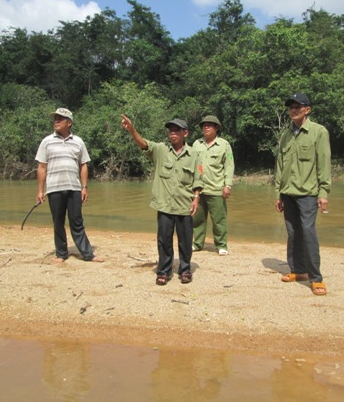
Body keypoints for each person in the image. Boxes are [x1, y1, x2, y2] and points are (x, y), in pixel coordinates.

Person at [121, 114, 203, 285]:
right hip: (164, 205)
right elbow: (143, 144)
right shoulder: (160, 150)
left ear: (185, 134)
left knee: (186, 240)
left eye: (176, 131)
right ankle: (164, 271)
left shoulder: (194, 155)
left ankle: (185, 269)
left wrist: (196, 199)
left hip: (184, 205)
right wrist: (131, 129)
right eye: (170, 131)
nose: (172, 134)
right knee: (164, 239)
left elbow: (198, 179)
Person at [274, 93, 331, 295]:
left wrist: (323, 192)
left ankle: (315, 278)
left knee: (308, 232)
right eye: (291, 107)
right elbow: (280, 165)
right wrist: (278, 193)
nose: (294, 110)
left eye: (298, 106)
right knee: (292, 232)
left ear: (308, 109)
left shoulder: (319, 132)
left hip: (308, 193)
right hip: (288, 192)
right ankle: (297, 270)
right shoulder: (286, 136)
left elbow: (324, 163)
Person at [35, 108, 104, 264]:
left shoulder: (78, 142)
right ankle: (61, 254)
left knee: (77, 221)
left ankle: (88, 254)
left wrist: (84, 187)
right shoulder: (47, 141)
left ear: (69, 123)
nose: (56, 121)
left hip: (74, 188)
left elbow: (83, 165)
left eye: (60, 119)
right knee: (58, 222)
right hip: (54, 188)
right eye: (55, 119)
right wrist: (40, 191)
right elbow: (42, 167)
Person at [191, 115, 234, 255]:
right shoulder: (196, 144)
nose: (206, 127)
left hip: (216, 189)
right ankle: (197, 243)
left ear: (216, 128)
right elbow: (191, 165)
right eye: (204, 125)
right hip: (199, 189)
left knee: (219, 220)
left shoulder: (224, 145)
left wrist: (228, 185)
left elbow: (229, 165)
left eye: (210, 125)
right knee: (197, 219)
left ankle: (221, 245)